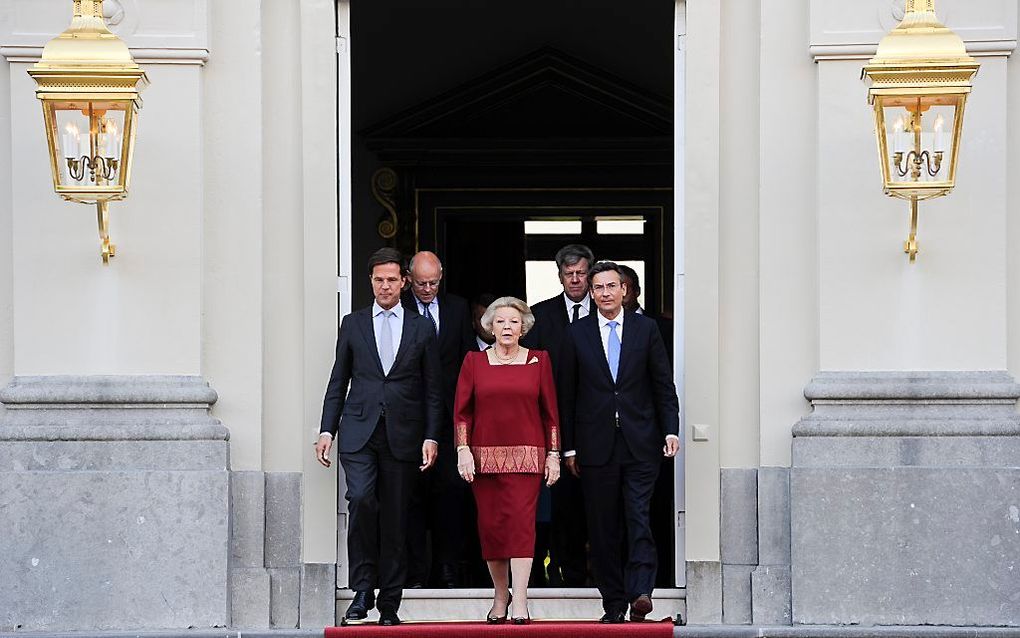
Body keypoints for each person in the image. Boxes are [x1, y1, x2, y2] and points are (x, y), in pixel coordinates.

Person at [315, 247, 443, 627]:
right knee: (362, 501)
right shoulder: (353, 324)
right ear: (370, 282)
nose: (385, 286)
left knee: (396, 516)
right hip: (359, 431)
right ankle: (361, 589)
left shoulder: (422, 327)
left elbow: (433, 389)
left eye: (391, 280)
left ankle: (390, 601)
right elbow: (339, 380)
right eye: (378, 280)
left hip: (404, 434)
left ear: (403, 282)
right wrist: (327, 428)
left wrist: (432, 436)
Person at [558, 261, 680, 624]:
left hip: (641, 443)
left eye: (612, 286)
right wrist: (569, 448)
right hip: (595, 447)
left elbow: (662, 384)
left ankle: (640, 592)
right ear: (591, 293)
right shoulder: (576, 333)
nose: (606, 293)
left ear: (625, 290)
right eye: (599, 288)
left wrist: (670, 429)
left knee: (638, 516)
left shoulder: (647, 330)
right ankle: (613, 604)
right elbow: (567, 393)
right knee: (603, 527)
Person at [453, 297, 561, 624]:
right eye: (500, 322)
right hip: (484, 462)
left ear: (523, 327)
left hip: (528, 460)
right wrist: (462, 451)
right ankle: (500, 596)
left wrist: (554, 455)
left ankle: (521, 601)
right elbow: (462, 413)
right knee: (492, 529)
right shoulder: (474, 362)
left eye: (513, 322)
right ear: (489, 327)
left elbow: (551, 414)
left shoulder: (538, 361)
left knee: (520, 527)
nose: (507, 327)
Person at [401, 251, 476, 588]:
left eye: (433, 282)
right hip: (409, 417)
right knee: (412, 495)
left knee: (451, 494)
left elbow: (465, 362)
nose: (427, 288)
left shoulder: (458, 308)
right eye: (420, 283)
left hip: (448, 418)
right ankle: (415, 572)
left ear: (441, 276)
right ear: (408, 278)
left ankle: (447, 568)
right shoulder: (398, 309)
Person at [521, 243, 594, 587]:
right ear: (560, 276)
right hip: (551, 422)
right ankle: (556, 572)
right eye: (570, 274)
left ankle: (588, 574)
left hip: (596, 422)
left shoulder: (606, 310)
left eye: (581, 273)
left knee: (594, 505)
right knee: (556, 505)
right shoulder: (541, 315)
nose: (576, 280)